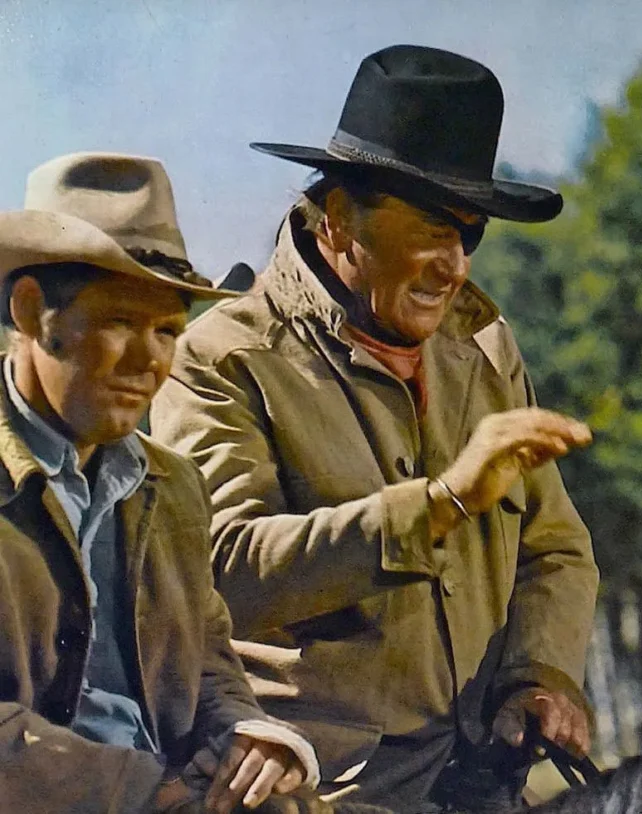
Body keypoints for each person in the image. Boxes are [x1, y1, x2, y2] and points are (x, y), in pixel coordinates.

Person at [149, 45, 599, 812]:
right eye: (430, 226)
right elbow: (216, 572)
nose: (454, 264)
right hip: (314, 791)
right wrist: (441, 503)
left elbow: (554, 547)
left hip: (485, 781)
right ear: (335, 221)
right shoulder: (225, 358)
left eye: (470, 233)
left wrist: (541, 676)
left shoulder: (486, 351)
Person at [0, 152, 321, 813]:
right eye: (120, 322)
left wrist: (248, 739)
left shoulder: (171, 486)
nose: (150, 360)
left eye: (169, 330)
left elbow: (206, 664)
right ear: (32, 313)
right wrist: (148, 793)